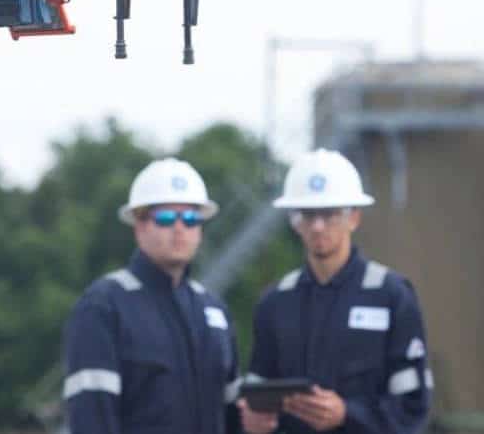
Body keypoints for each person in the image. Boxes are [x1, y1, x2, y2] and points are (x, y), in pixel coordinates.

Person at [238, 148, 433, 434]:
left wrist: (348, 414)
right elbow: (257, 395)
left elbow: (414, 406)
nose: (318, 226)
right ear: (295, 221)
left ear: (354, 217)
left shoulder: (391, 296)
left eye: (330, 214)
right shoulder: (275, 303)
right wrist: (252, 419)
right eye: (308, 214)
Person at [63, 157, 241, 434]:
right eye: (166, 217)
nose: (180, 227)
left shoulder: (213, 309)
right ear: (139, 224)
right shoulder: (104, 306)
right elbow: (92, 417)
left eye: (191, 218)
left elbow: (233, 415)